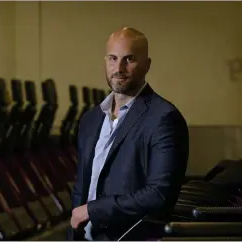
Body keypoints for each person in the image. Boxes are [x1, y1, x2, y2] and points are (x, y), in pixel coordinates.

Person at [67, 27, 190, 241]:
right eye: (112, 59)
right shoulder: (90, 119)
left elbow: (159, 194)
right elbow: (82, 188)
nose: (119, 68)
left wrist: (93, 210)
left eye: (129, 59)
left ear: (147, 65)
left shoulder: (164, 118)